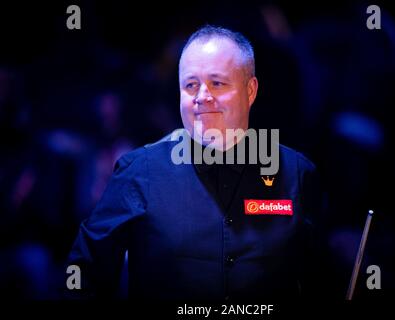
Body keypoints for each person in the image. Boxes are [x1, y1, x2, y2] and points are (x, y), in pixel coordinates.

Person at [66, 25, 323, 302]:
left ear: (250, 90)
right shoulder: (139, 172)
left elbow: (320, 279)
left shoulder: (297, 173)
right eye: (191, 85)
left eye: (217, 83)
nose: (202, 96)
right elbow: (82, 277)